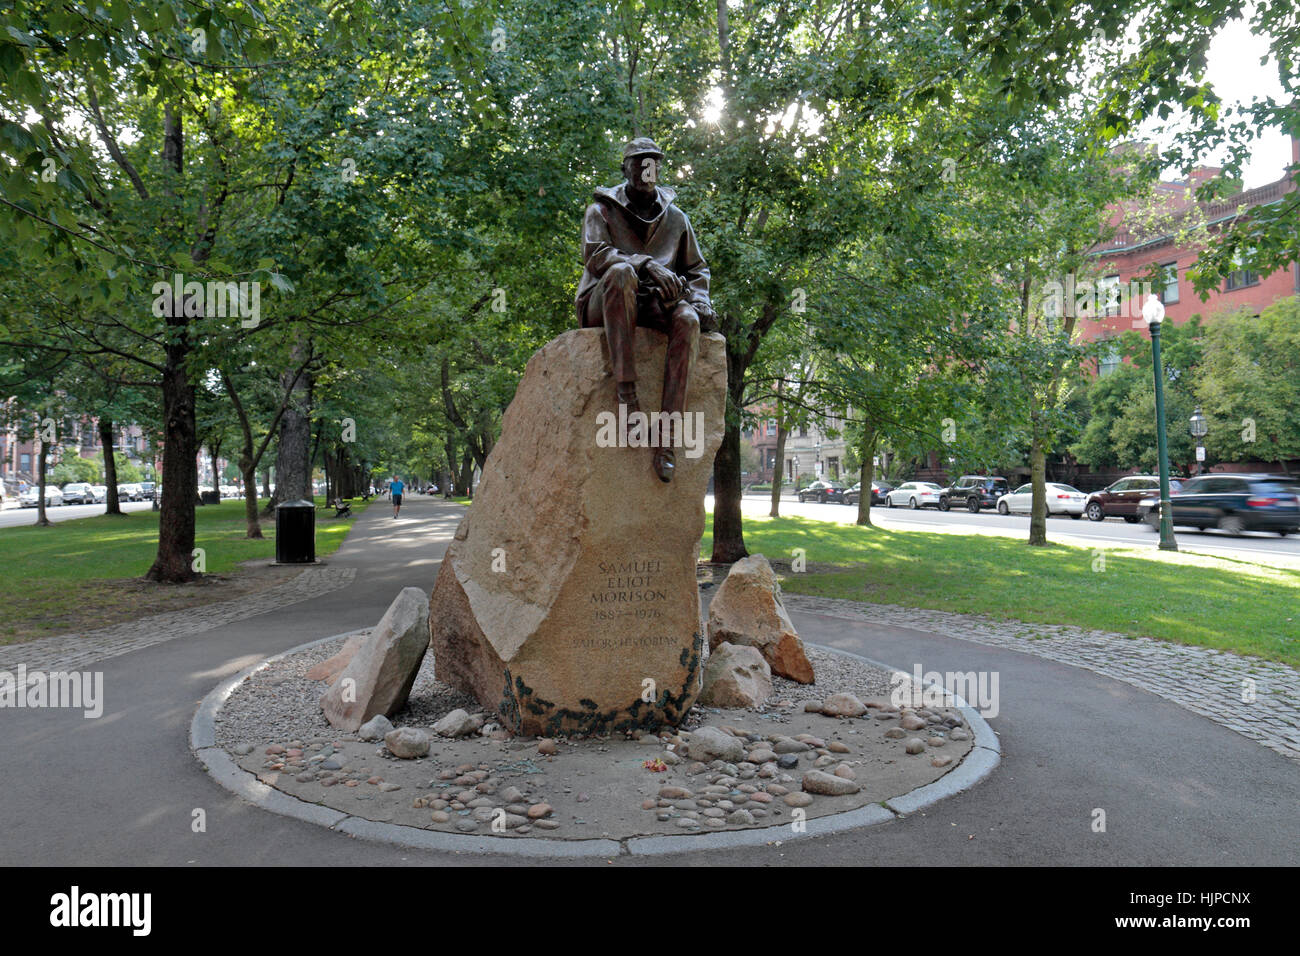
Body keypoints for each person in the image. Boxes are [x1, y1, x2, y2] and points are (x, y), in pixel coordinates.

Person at [574, 136, 716, 483]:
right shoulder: (601, 210)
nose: (645, 168)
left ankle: (667, 440)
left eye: (652, 161)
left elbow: (697, 269)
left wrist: (696, 301)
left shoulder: (677, 219)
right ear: (625, 168)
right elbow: (596, 256)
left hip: (653, 304)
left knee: (686, 318)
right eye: (638, 162)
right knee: (622, 272)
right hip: (604, 300)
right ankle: (627, 396)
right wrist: (646, 265)